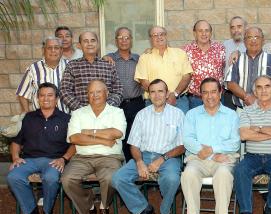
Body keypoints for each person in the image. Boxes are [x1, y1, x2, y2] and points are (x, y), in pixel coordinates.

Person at [112, 79, 185, 214]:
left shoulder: (178, 114)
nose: (157, 95)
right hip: (143, 156)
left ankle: (165, 211)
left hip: (168, 157)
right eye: (153, 92)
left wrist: (161, 160)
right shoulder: (141, 115)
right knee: (117, 178)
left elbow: (182, 146)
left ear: (167, 94)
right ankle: (143, 207)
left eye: (160, 91)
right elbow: (133, 144)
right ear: (148, 94)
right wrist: (139, 162)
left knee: (172, 179)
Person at [7, 83, 74, 214]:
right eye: (42, 95)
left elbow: (74, 144)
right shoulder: (29, 117)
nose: (46, 99)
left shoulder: (66, 119)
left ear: (56, 99)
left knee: (50, 178)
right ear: (38, 98)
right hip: (29, 160)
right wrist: (15, 157)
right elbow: (16, 142)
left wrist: (63, 159)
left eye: (50, 95)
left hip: (53, 161)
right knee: (13, 176)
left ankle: (47, 210)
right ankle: (31, 211)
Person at [61, 80, 126, 214]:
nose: (95, 95)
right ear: (87, 95)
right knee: (67, 179)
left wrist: (89, 131)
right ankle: (88, 205)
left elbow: (117, 133)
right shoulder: (78, 113)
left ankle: (104, 206)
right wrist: (104, 139)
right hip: (82, 158)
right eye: (91, 92)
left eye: (98, 91)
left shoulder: (117, 112)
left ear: (106, 93)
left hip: (110, 157)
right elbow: (74, 138)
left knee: (110, 178)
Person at [181, 78, 240, 214]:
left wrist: (213, 148)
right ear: (200, 95)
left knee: (223, 175)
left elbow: (235, 143)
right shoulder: (191, 115)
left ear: (220, 93)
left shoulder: (232, 115)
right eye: (205, 93)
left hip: (224, 159)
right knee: (188, 174)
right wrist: (212, 155)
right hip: (197, 159)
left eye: (213, 92)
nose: (209, 96)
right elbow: (188, 141)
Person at [234, 76, 271, 214]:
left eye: (267, 86)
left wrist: (259, 129)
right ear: (255, 92)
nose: (263, 90)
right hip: (252, 157)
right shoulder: (247, 111)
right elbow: (244, 135)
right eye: (259, 87)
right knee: (240, 170)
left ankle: (270, 208)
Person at [104, 27, 145, 162]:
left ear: (131, 40)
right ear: (116, 40)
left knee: (135, 136)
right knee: (119, 135)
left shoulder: (139, 59)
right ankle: (121, 166)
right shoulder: (109, 59)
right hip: (117, 104)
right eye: (120, 37)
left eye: (127, 37)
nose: (124, 40)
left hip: (136, 103)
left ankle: (135, 166)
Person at [134, 26, 192, 113]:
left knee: (180, 127)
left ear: (166, 36)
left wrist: (174, 94)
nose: (159, 37)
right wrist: (161, 97)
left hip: (179, 102)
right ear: (150, 39)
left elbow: (187, 76)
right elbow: (144, 82)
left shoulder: (180, 53)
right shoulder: (144, 57)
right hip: (154, 103)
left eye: (161, 34)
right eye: (155, 35)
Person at [60, 31, 123, 111]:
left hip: (107, 115)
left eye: (93, 40)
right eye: (85, 41)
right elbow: (64, 91)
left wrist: (106, 108)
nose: (90, 43)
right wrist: (82, 110)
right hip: (81, 116)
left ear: (98, 44)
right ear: (79, 45)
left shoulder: (109, 65)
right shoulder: (72, 66)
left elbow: (118, 90)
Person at [225, 27, 271, 109]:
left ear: (263, 40)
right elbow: (230, 83)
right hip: (242, 110)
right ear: (244, 42)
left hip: (267, 109)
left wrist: (258, 97)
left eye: (257, 37)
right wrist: (247, 97)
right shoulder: (237, 59)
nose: (253, 40)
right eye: (249, 37)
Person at [16, 37, 69, 113]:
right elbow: (22, 93)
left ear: (61, 50)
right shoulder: (33, 69)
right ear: (43, 50)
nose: (53, 50)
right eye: (49, 48)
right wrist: (27, 114)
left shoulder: (70, 66)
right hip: (40, 120)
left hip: (67, 119)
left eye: (56, 48)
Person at [183, 20, 226, 109]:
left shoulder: (220, 48)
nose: (204, 33)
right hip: (195, 99)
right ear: (194, 33)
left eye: (207, 30)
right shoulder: (186, 51)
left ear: (211, 33)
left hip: (217, 98)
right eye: (200, 31)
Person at [223, 16, 247, 110]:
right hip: (228, 94)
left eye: (239, 26)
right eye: (232, 27)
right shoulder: (225, 45)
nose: (236, 30)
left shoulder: (251, 45)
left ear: (245, 28)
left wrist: (239, 54)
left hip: (246, 93)